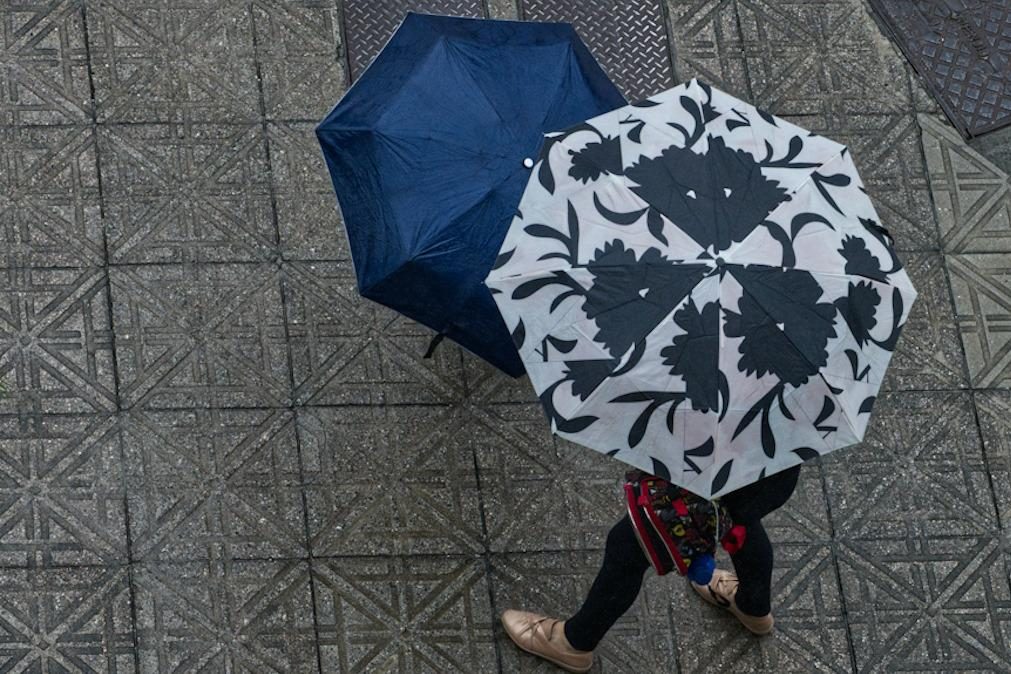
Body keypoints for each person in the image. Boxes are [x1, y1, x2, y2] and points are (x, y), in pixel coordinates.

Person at [501, 465, 802, 672]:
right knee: (740, 516)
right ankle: (753, 607)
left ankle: (573, 642)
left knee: (628, 545)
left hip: (714, 458)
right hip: (775, 468)